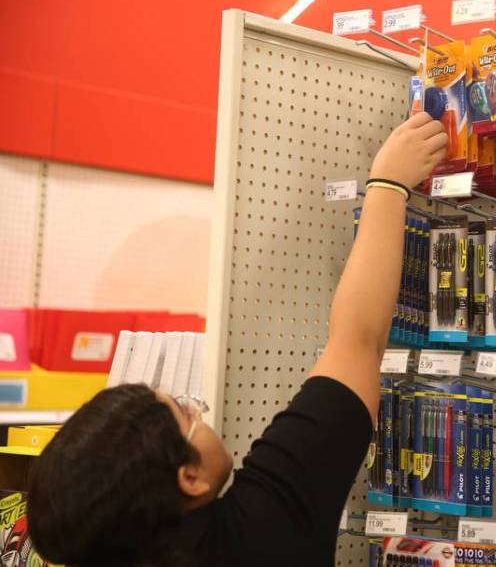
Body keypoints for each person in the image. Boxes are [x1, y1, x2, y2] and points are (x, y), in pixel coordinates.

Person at [27, 113, 448, 567]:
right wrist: (388, 183)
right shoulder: (260, 531)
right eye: (187, 411)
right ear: (189, 478)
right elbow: (357, 339)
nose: (198, 410)